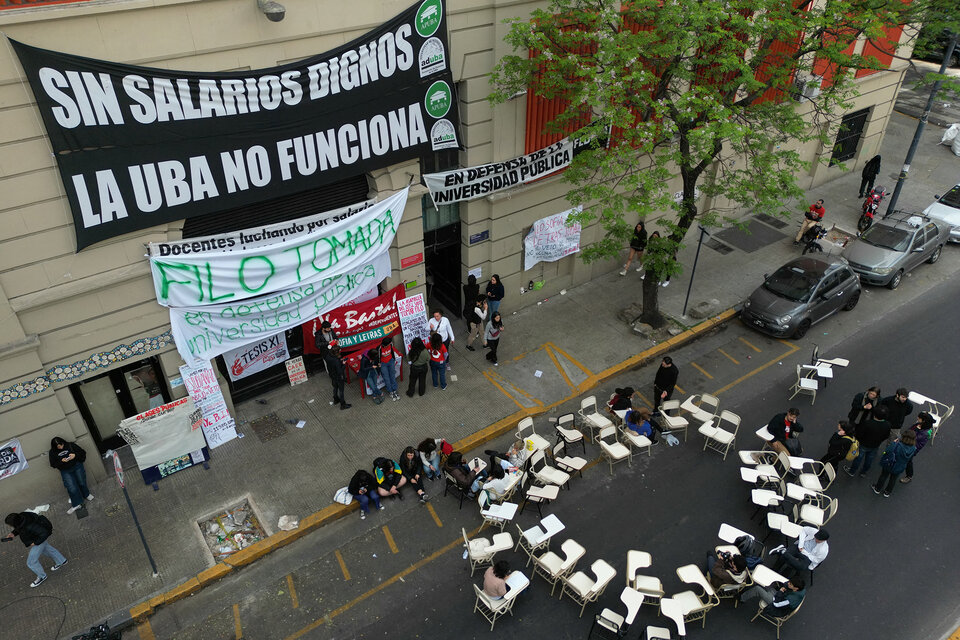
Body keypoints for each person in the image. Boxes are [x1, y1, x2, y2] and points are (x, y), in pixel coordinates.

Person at [4, 511, 67, 588]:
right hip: (37, 538)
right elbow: (20, 528)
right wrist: (13, 533)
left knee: (31, 562)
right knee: (48, 550)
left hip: (38, 540)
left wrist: (35, 543)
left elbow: (44, 533)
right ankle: (61, 561)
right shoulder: (23, 516)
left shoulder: (29, 525)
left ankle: (42, 576)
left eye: (10, 525)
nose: (11, 526)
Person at [48, 436, 94, 515]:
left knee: (81, 481)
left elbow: (82, 452)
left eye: (61, 445)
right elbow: (53, 464)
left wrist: (75, 455)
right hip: (65, 471)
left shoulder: (70, 445)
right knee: (71, 487)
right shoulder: (52, 452)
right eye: (58, 446)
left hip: (77, 466)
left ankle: (86, 494)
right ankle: (77, 503)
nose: (60, 447)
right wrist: (61, 461)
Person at [845, 406, 891, 477]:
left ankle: (852, 471)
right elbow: (886, 436)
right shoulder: (887, 425)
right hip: (875, 445)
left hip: (863, 444)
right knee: (869, 460)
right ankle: (863, 472)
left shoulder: (867, 423)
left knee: (858, 458)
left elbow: (859, 434)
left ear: (875, 414)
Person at [873, 429, 917, 497]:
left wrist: (894, 443)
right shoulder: (913, 448)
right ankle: (887, 492)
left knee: (884, 476)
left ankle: (877, 488)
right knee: (893, 479)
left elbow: (887, 450)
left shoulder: (897, 445)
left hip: (890, 464)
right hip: (900, 466)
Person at [900, 412, 933, 484]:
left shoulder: (924, 432)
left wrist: (916, 430)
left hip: (912, 449)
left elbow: (912, 437)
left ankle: (909, 476)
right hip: (910, 446)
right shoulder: (921, 425)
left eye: (919, 418)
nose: (917, 419)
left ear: (923, 421)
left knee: (908, 462)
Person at [740, 578, 806, 613]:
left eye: (790, 584)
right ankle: (747, 590)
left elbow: (777, 604)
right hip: (781, 597)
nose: (788, 583)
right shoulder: (801, 589)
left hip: (776, 606)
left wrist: (780, 592)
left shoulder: (790, 600)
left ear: (796, 588)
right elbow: (786, 583)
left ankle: (741, 598)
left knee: (757, 589)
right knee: (767, 584)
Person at [323, 342, 351, 410]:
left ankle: (335, 399)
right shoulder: (336, 361)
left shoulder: (328, 356)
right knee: (341, 390)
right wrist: (343, 364)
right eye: (339, 350)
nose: (340, 350)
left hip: (332, 375)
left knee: (335, 387)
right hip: (338, 377)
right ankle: (343, 404)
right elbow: (340, 371)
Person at [378, 337, 401, 401]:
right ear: (386, 344)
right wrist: (379, 364)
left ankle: (394, 390)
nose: (391, 343)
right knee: (386, 378)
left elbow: (392, 352)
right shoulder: (379, 348)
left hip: (390, 361)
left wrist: (393, 359)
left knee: (392, 376)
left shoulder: (391, 345)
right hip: (383, 364)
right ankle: (390, 391)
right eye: (389, 342)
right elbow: (378, 357)